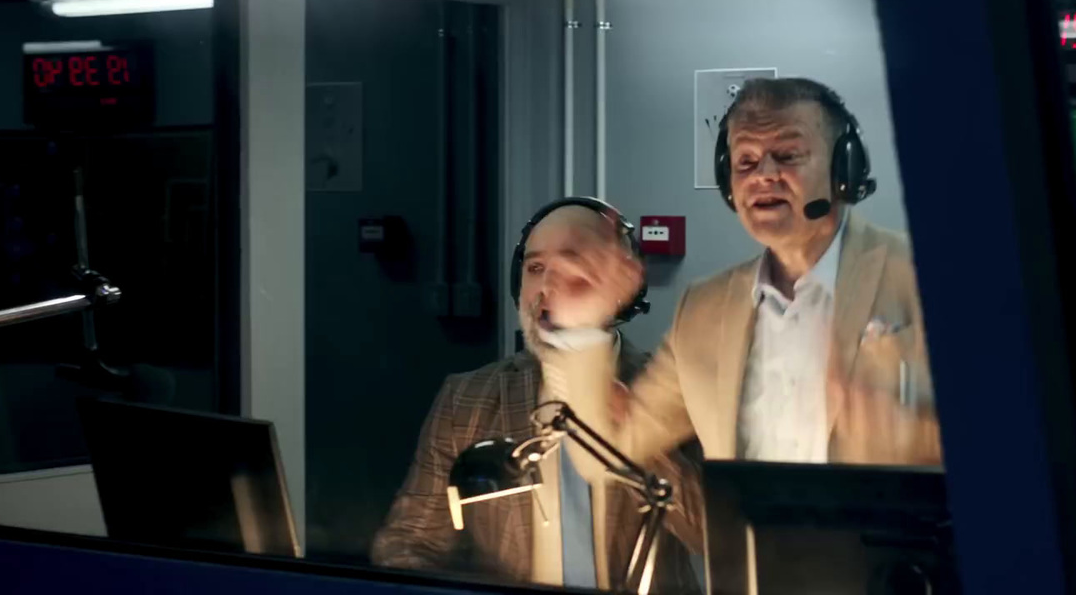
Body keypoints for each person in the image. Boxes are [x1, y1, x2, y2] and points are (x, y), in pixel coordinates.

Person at [549, 77, 940, 474]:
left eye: (787, 155)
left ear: (845, 170)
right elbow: (605, 457)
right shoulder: (702, 311)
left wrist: (919, 431)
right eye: (746, 162)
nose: (763, 175)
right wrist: (581, 325)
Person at [370, 198, 703, 593]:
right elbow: (408, 544)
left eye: (573, 265)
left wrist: (637, 431)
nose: (548, 287)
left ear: (621, 287)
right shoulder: (467, 401)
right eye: (535, 268)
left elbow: (708, 533)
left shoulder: (671, 385)